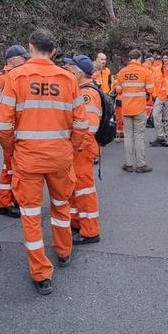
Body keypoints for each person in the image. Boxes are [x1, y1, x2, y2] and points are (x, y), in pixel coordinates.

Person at [0, 29, 88, 295]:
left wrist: (12, 150)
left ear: (30, 47)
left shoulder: (15, 77)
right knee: (61, 206)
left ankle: (41, 273)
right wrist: (70, 148)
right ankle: (64, 251)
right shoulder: (69, 79)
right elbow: (81, 123)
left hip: (28, 159)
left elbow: (2, 126)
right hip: (60, 157)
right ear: (55, 51)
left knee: (31, 215)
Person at [0, 45, 30, 218]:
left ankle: (12, 200)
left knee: (14, 167)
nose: (27, 60)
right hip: (7, 128)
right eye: (23, 57)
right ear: (13, 59)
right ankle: (5, 203)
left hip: (18, 128)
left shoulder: (21, 75)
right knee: (9, 168)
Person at [62, 55, 102, 245]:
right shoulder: (82, 90)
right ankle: (77, 223)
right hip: (80, 148)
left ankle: (90, 231)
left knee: (84, 191)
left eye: (70, 68)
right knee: (76, 189)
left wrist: (75, 145)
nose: (66, 71)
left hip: (82, 149)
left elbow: (89, 127)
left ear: (78, 72)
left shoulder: (87, 94)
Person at [115, 49, 155, 173]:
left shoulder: (122, 72)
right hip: (139, 108)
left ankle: (128, 163)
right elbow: (150, 90)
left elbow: (118, 90)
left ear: (129, 58)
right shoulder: (145, 72)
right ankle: (141, 164)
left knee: (128, 136)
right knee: (139, 136)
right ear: (139, 58)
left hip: (126, 108)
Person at [149, 50, 168, 147]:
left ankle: (164, 138)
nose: (165, 60)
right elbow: (153, 82)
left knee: (167, 118)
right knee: (155, 115)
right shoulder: (157, 69)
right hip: (159, 96)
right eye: (163, 58)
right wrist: (154, 94)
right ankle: (160, 136)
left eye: (167, 58)